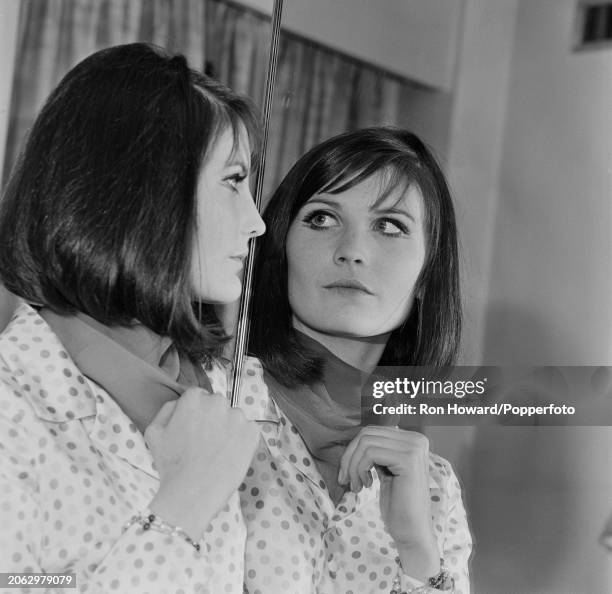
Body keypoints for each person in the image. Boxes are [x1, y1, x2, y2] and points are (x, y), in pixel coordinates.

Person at [0, 43, 265, 593]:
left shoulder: (218, 391)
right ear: (147, 190)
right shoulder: (12, 410)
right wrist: (181, 507)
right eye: (235, 181)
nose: (256, 222)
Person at [241, 127, 471, 593]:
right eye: (322, 218)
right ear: (279, 246)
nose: (352, 251)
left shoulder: (434, 487)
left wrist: (418, 549)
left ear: (428, 272)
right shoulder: (209, 399)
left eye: (390, 226)